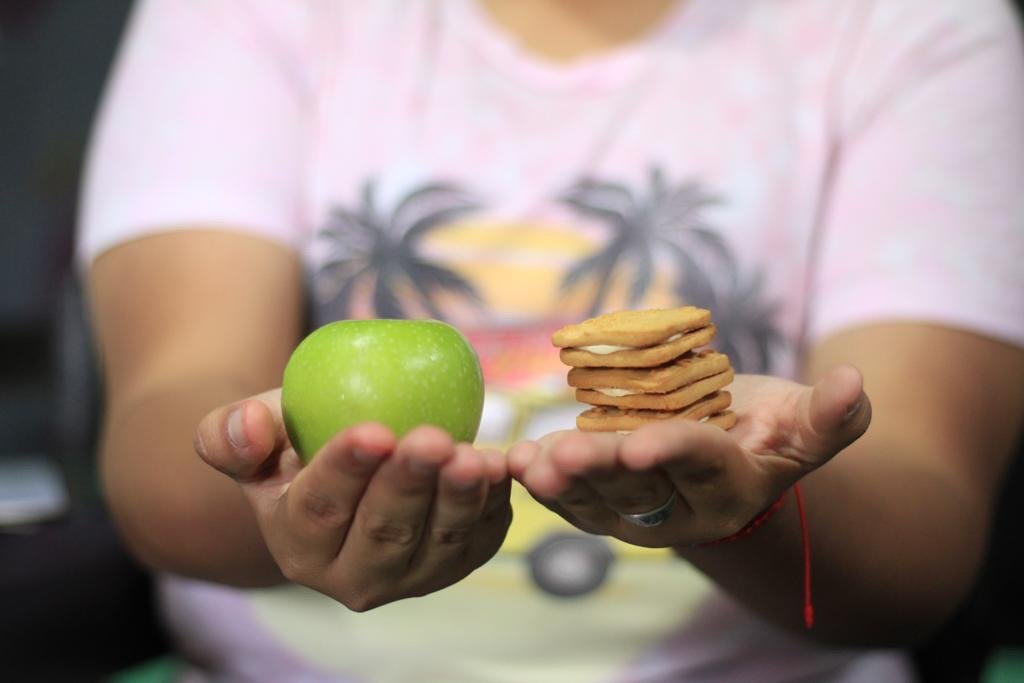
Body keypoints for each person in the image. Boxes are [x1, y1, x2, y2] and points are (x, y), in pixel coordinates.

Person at [78, 0, 1024, 681]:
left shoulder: (916, 27)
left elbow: (919, 544)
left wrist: (750, 509)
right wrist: (272, 493)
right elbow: (167, 422)